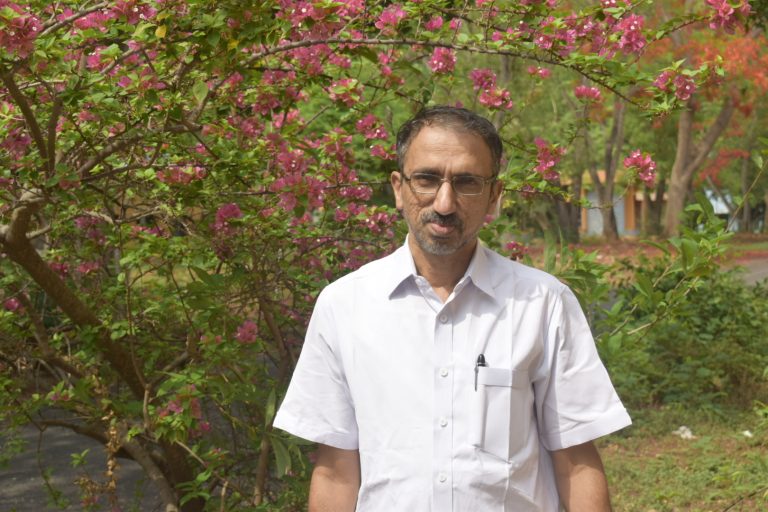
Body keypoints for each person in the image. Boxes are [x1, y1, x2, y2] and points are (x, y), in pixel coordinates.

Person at [273, 106, 632, 511]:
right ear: (398, 188)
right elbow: (336, 471)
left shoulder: (542, 304)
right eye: (427, 179)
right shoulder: (345, 306)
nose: (444, 203)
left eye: (466, 183)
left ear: (494, 195)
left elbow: (577, 463)